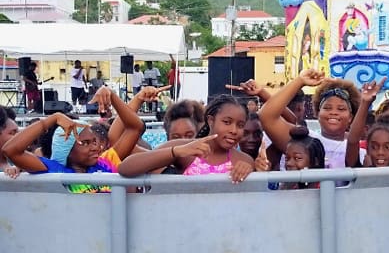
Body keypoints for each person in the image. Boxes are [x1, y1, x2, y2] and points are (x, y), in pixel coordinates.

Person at [2, 86, 144, 193]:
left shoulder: (105, 162)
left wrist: (111, 96)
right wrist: (54, 118)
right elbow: (11, 150)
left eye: (94, 141)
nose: (95, 147)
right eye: (85, 143)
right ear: (66, 151)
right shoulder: (55, 171)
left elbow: (134, 128)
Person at [118, 94, 254, 184]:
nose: (234, 130)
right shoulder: (186, 149)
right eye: (227, 122)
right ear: (211, 121)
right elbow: (125, 168)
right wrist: (175, 152)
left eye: (240, 125)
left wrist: (251, 171)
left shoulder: (244, 161)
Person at [259, 69, 364, 171]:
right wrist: (300, 81)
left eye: (341, 109)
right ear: (317, 113)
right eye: (327, 108)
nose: (334, 112)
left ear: (351, 117)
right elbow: (267, 117)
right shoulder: (303, 140)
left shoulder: (361, 150)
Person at [280, 125, 326, 190]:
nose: (289, 163)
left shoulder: (324, 187)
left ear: (315, 161)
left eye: (297, 158)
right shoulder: (287, 185)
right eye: (287, 158)